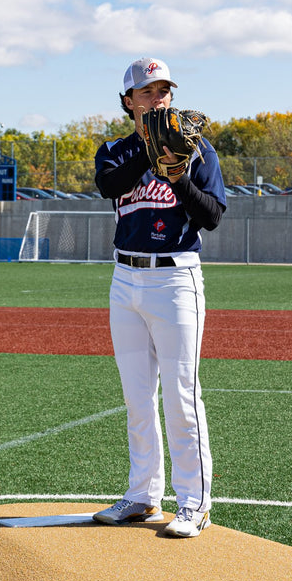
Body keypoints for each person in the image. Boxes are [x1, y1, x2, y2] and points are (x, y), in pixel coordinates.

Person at [91, 57, 227, 538]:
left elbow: (211, 216)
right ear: (128, 101)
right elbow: (109, 185)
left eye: (164, 90)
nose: (157, 99)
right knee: (136, 398)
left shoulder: (198, 149)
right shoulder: (114, 150)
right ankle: (143, 495)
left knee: (181, 396)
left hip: (175, 280)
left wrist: (179, 177)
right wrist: (152, 155)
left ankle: (194, 502)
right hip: (125, 279)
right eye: (147, 92)